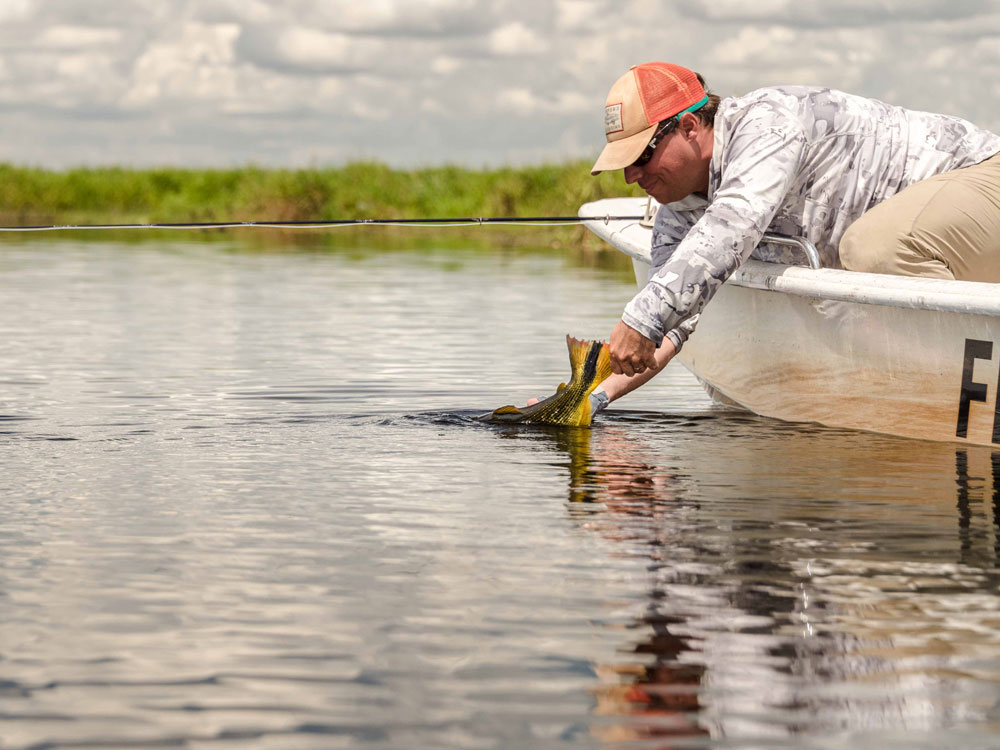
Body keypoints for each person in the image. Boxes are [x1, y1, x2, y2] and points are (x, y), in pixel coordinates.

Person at [586, 61, 1000, 416]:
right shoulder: (678, 212)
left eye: (641, 157)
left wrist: (641, 318)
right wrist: (591, 398)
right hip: (949, 241)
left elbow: (731, 227)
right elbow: (667, 329)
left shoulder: (766, 123)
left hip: (983, 177)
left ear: (690, 126)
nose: (631, 176)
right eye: (624, 164)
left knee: (870, 249)